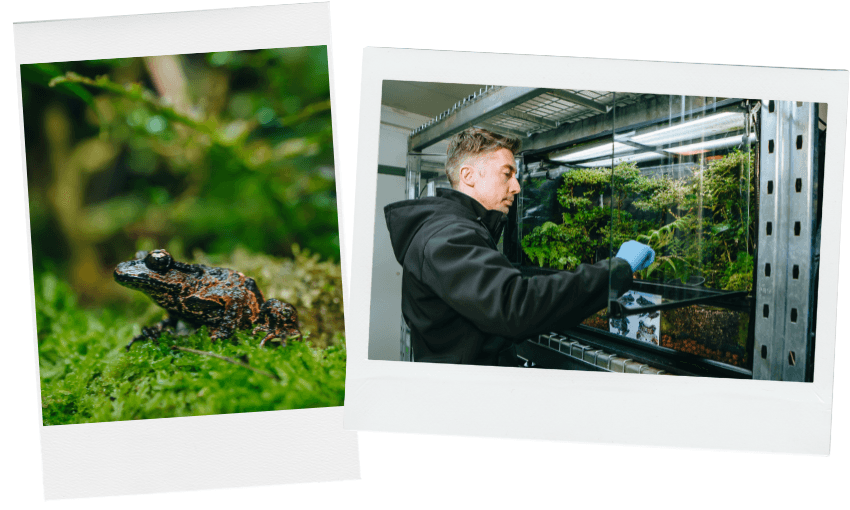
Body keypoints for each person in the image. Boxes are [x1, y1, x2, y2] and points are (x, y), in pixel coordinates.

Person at [384, 127, 654, 366]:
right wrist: (618, 269)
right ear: (468, 176)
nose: (516, 186)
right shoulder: (448, 237)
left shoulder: (458, 228)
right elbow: (515, 307)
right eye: (507, 174)